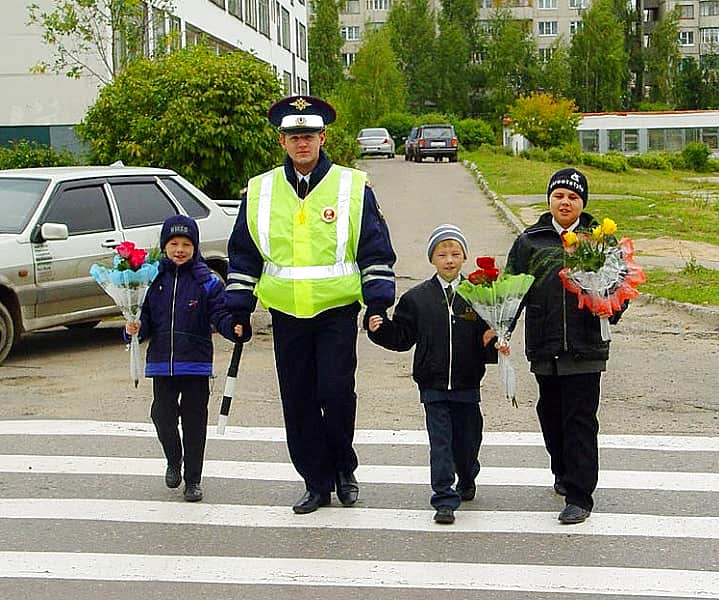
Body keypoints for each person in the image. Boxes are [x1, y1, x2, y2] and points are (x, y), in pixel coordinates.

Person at [225, 95, 397, 514]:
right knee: (298, 399)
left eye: (309, 136)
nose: (302, 143)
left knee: (336, 395)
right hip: (287, 314)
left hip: (336, 311)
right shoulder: (260, 190)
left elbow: (374, 249)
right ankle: (315, 482)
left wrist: (377, 304)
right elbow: (244, 254)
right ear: (282, 141)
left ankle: (343, 469)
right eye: (293, 136)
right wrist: (238, 309)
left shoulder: (352, 187)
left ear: (322, 138)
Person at [505, 167, 626, 525]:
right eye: (559, 195)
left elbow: (621, 285)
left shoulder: (599, 241)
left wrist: (608, 306)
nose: (565, 202)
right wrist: (501, 329)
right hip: (544, 345)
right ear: (550, 200)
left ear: (582, 203)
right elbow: (512, 290)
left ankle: (580, 495)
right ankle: (562, 467)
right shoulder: (530, 241)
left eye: (573, 197)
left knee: (580, 420)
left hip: (586, 346)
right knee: (550, 414)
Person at [367, 224, 504, 525]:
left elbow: (489, 335)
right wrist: (381, 331)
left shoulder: (478, 294)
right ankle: (443, 498)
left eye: (455, 253)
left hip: (468, 384)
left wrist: (493, 343)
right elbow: (402, 337)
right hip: (433, 385)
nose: (449, 260)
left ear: (464, 257)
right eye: (442, 254)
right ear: (432, 259)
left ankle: (467, 475)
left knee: (467, 441)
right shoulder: (417, 298)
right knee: (440, 443)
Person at [125, 215, 249, 502]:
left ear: (195, 247)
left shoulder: (207, 282)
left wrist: (233, 328)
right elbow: (142, 317)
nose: (179, 249)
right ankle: (173, 459)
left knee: (195, 423)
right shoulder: (151, 279)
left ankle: (193, 480)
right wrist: (133, 328)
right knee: (161, 415)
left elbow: (220, 314)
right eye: (173, 244)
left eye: (186, 244)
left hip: (195, 364)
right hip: (161, 365)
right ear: (164, 246)